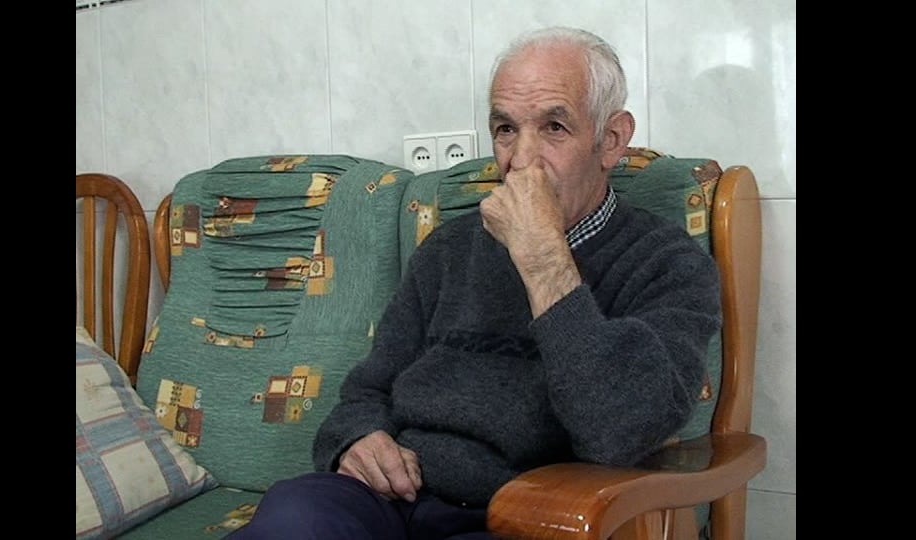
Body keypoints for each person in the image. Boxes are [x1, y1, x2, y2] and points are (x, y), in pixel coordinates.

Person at [228, 26, 721, 540]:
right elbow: (368, 388)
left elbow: (621, 430)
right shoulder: (449, 248)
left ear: (611, 140)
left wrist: (542, 257)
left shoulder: (668, 264)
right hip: (391, 497)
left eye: (554, 127)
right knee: (292, 516)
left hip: (520, 514)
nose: (521, 160)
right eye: (506, 129)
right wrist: (358, 437)